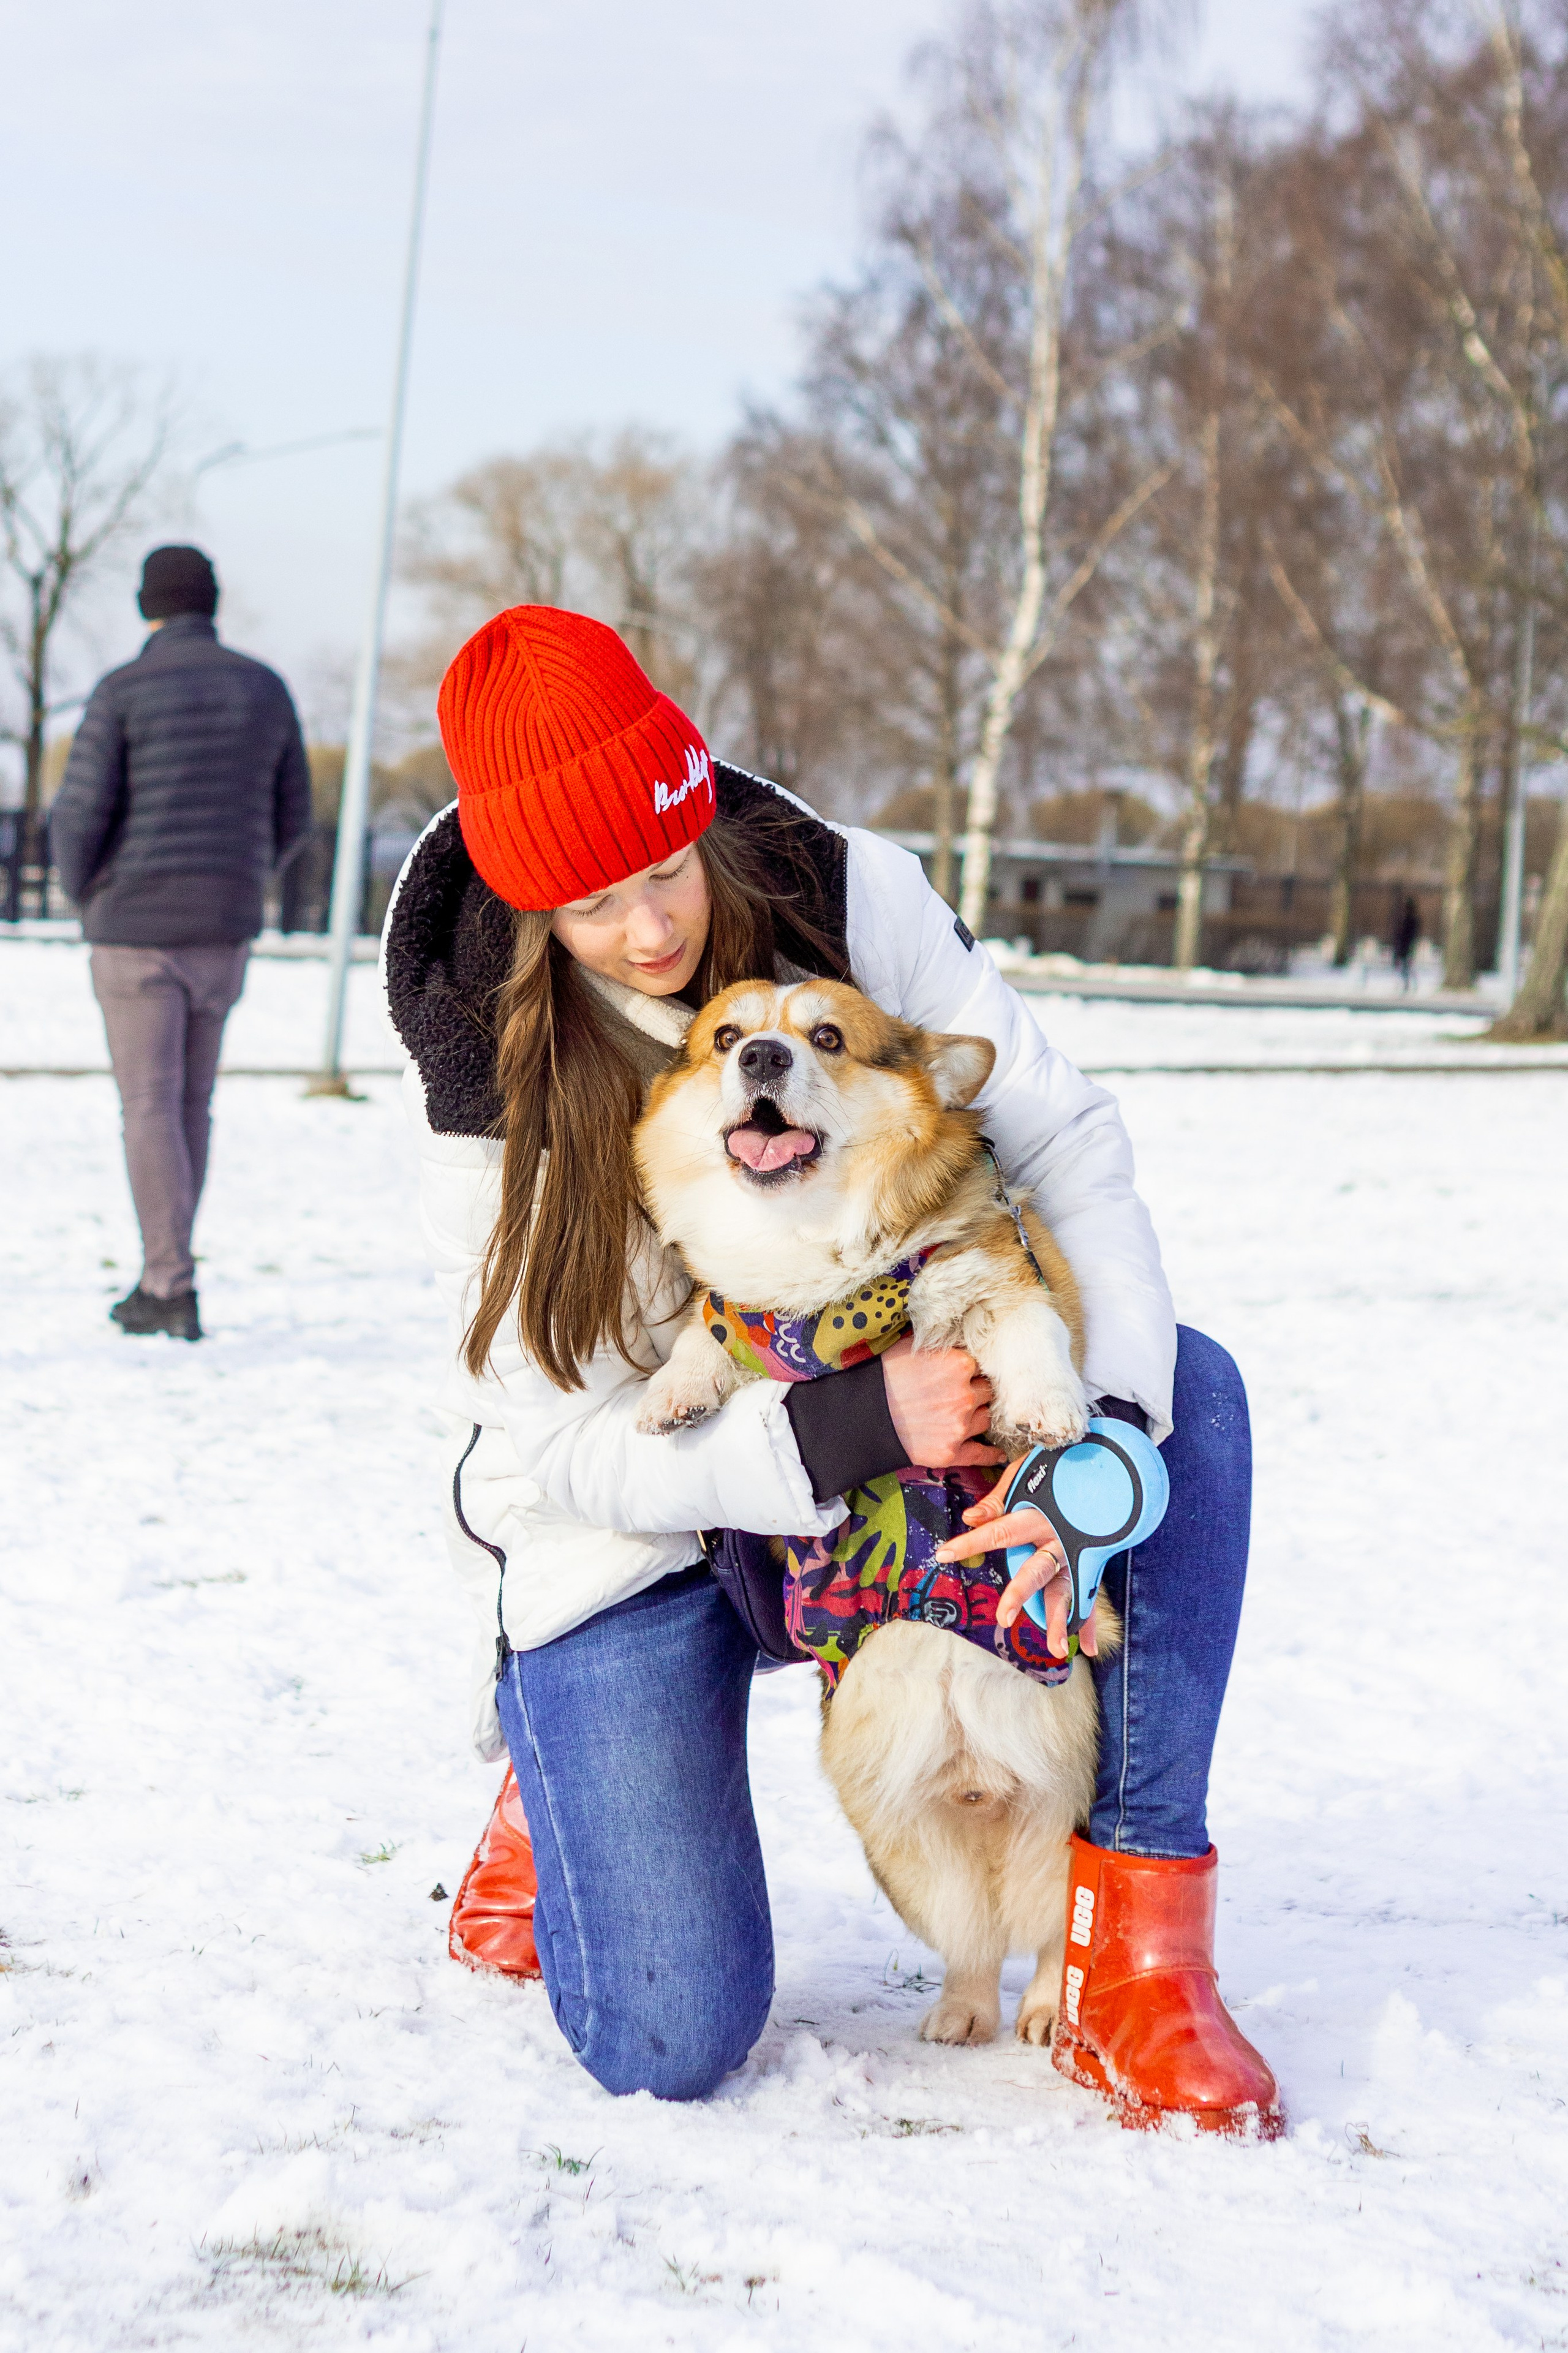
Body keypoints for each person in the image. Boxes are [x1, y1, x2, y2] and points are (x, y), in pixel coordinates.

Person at [382, 605, 1281, 2134]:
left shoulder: (849, 891)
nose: (651, 927)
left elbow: (1062, 1136)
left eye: (665, 867)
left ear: (701, 814)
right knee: (668, 2032)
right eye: (592, 903)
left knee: (1191, 1381)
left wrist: (1102, 1435)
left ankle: (1129, 1938)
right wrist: (845, 1424)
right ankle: (559, 1781)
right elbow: (571, 1451)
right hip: (648, 1524)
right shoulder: (488, 1072)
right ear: (532, 911)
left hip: (920, 1448)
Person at [50, 545, 311, 1341]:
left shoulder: (123, 690)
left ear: (145, 605)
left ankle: (168, 1284)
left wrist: (86, 891)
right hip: (223, 929)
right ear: (213, 602)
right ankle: (169, 1269)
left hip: (136, 930)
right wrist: (247, 876)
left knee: (150, 1104)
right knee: (190, 1102)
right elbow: (294, 815)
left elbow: (76, 815)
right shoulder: (264, 688)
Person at [1393, 893, 1421, 991]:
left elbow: (1405, 934)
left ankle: (1407, 985)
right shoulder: (1412, 919)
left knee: (1406, 966)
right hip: (1407, 945)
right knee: (1406, 966)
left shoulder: (1409, 919)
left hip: (1406, 945)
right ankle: (1408, 984)